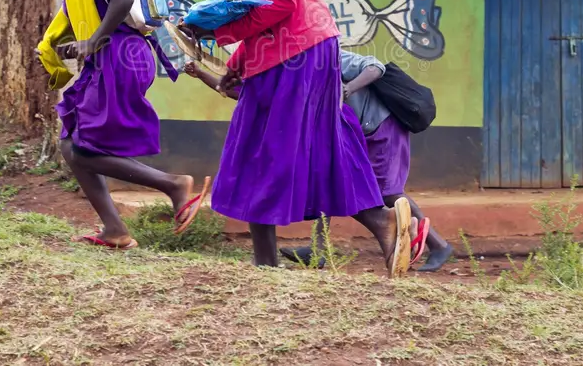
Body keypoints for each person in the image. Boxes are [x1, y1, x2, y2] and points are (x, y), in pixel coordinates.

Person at [178, 0, 416, 277]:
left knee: (258, 151)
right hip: (304, 46)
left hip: (296, 51)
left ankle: (271, 262)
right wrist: (237, 63)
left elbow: (279, 3)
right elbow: (262, 5)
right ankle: (382, 229)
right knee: (319, 149)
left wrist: (217, 31)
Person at [36, 0, 210, 250]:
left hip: (120, 58)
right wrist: (79, 46)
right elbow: (100, 15)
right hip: (113, 57)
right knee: (71, 144)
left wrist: (95, 40)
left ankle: (173, 185)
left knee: (81, 148)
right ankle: (114, 229)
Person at [183, 54, 449, 271]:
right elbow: (247, 96)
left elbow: (375, 66)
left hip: (379, 125)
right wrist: (201, 74)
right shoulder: (277, 65)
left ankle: (437, 244)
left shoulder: (325, 56)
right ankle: (320, 249)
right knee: (329, 178)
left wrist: (347, 88)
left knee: (386, 191)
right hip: (347, 126)